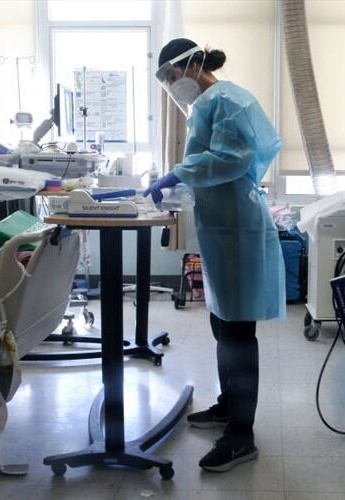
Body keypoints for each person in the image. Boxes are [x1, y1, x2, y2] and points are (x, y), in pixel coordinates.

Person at [147, 38, 284, 472]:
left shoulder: (227, 98)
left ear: (191, 65)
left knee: (238, 331)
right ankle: (229, 405)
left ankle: (241, 435)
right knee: (221, 321)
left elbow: (230, 158)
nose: (171, 86)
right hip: (223, 227)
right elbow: (215, 162)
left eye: (171, 77)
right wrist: (181, 181)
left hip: (238, 228)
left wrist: (177, 173)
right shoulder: (207, 104)